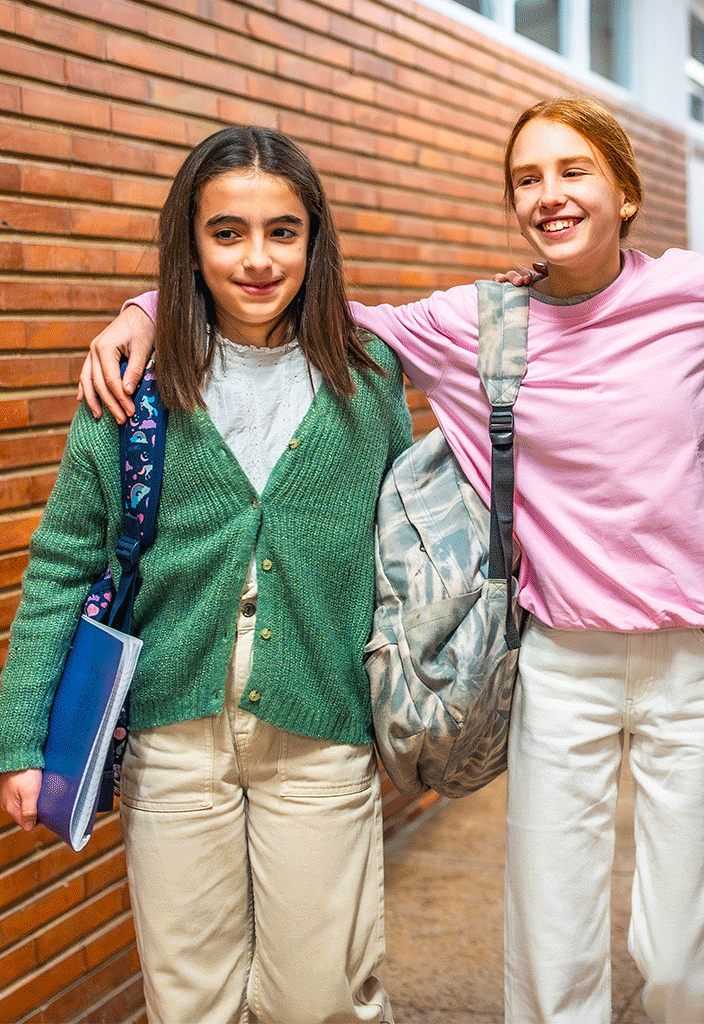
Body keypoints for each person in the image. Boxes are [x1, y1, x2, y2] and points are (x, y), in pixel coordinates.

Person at [79, 99, 704, 1024]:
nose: (549, 195)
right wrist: (147, 308)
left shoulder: (701, 295)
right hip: (559, 662)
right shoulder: (478, 324)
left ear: (625, 192)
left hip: (696, 661)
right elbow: (306, 305)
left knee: (694, 970)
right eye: (528, 178)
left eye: (573, 172)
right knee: (553, 961)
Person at [0, 126, 410, 1023]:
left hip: (321, 723)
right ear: (189, 241)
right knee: (191, 1001)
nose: (257, 259)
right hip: (171, 732)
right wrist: (21, 740)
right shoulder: (133, 381)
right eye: (227, 232)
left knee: (322, 998)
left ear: (315, 239)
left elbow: (404, 552)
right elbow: (63, 564)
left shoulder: (368, 375)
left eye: (282, 231)